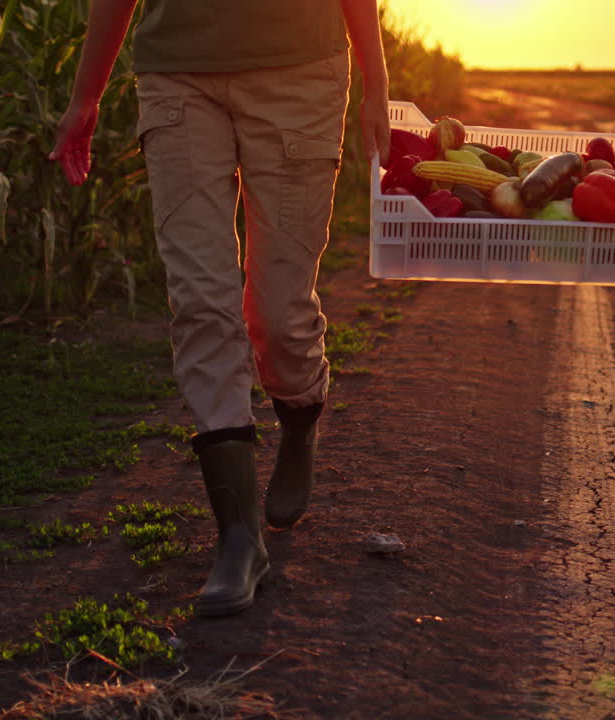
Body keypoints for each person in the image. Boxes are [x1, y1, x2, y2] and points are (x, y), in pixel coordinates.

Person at [50, 0, 391, 617]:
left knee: (278, 313)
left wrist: (377, 82)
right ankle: (238, 537)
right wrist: (85, 94)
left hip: (301, 71)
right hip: (177, 72)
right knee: (202, 300)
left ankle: (299, 415)